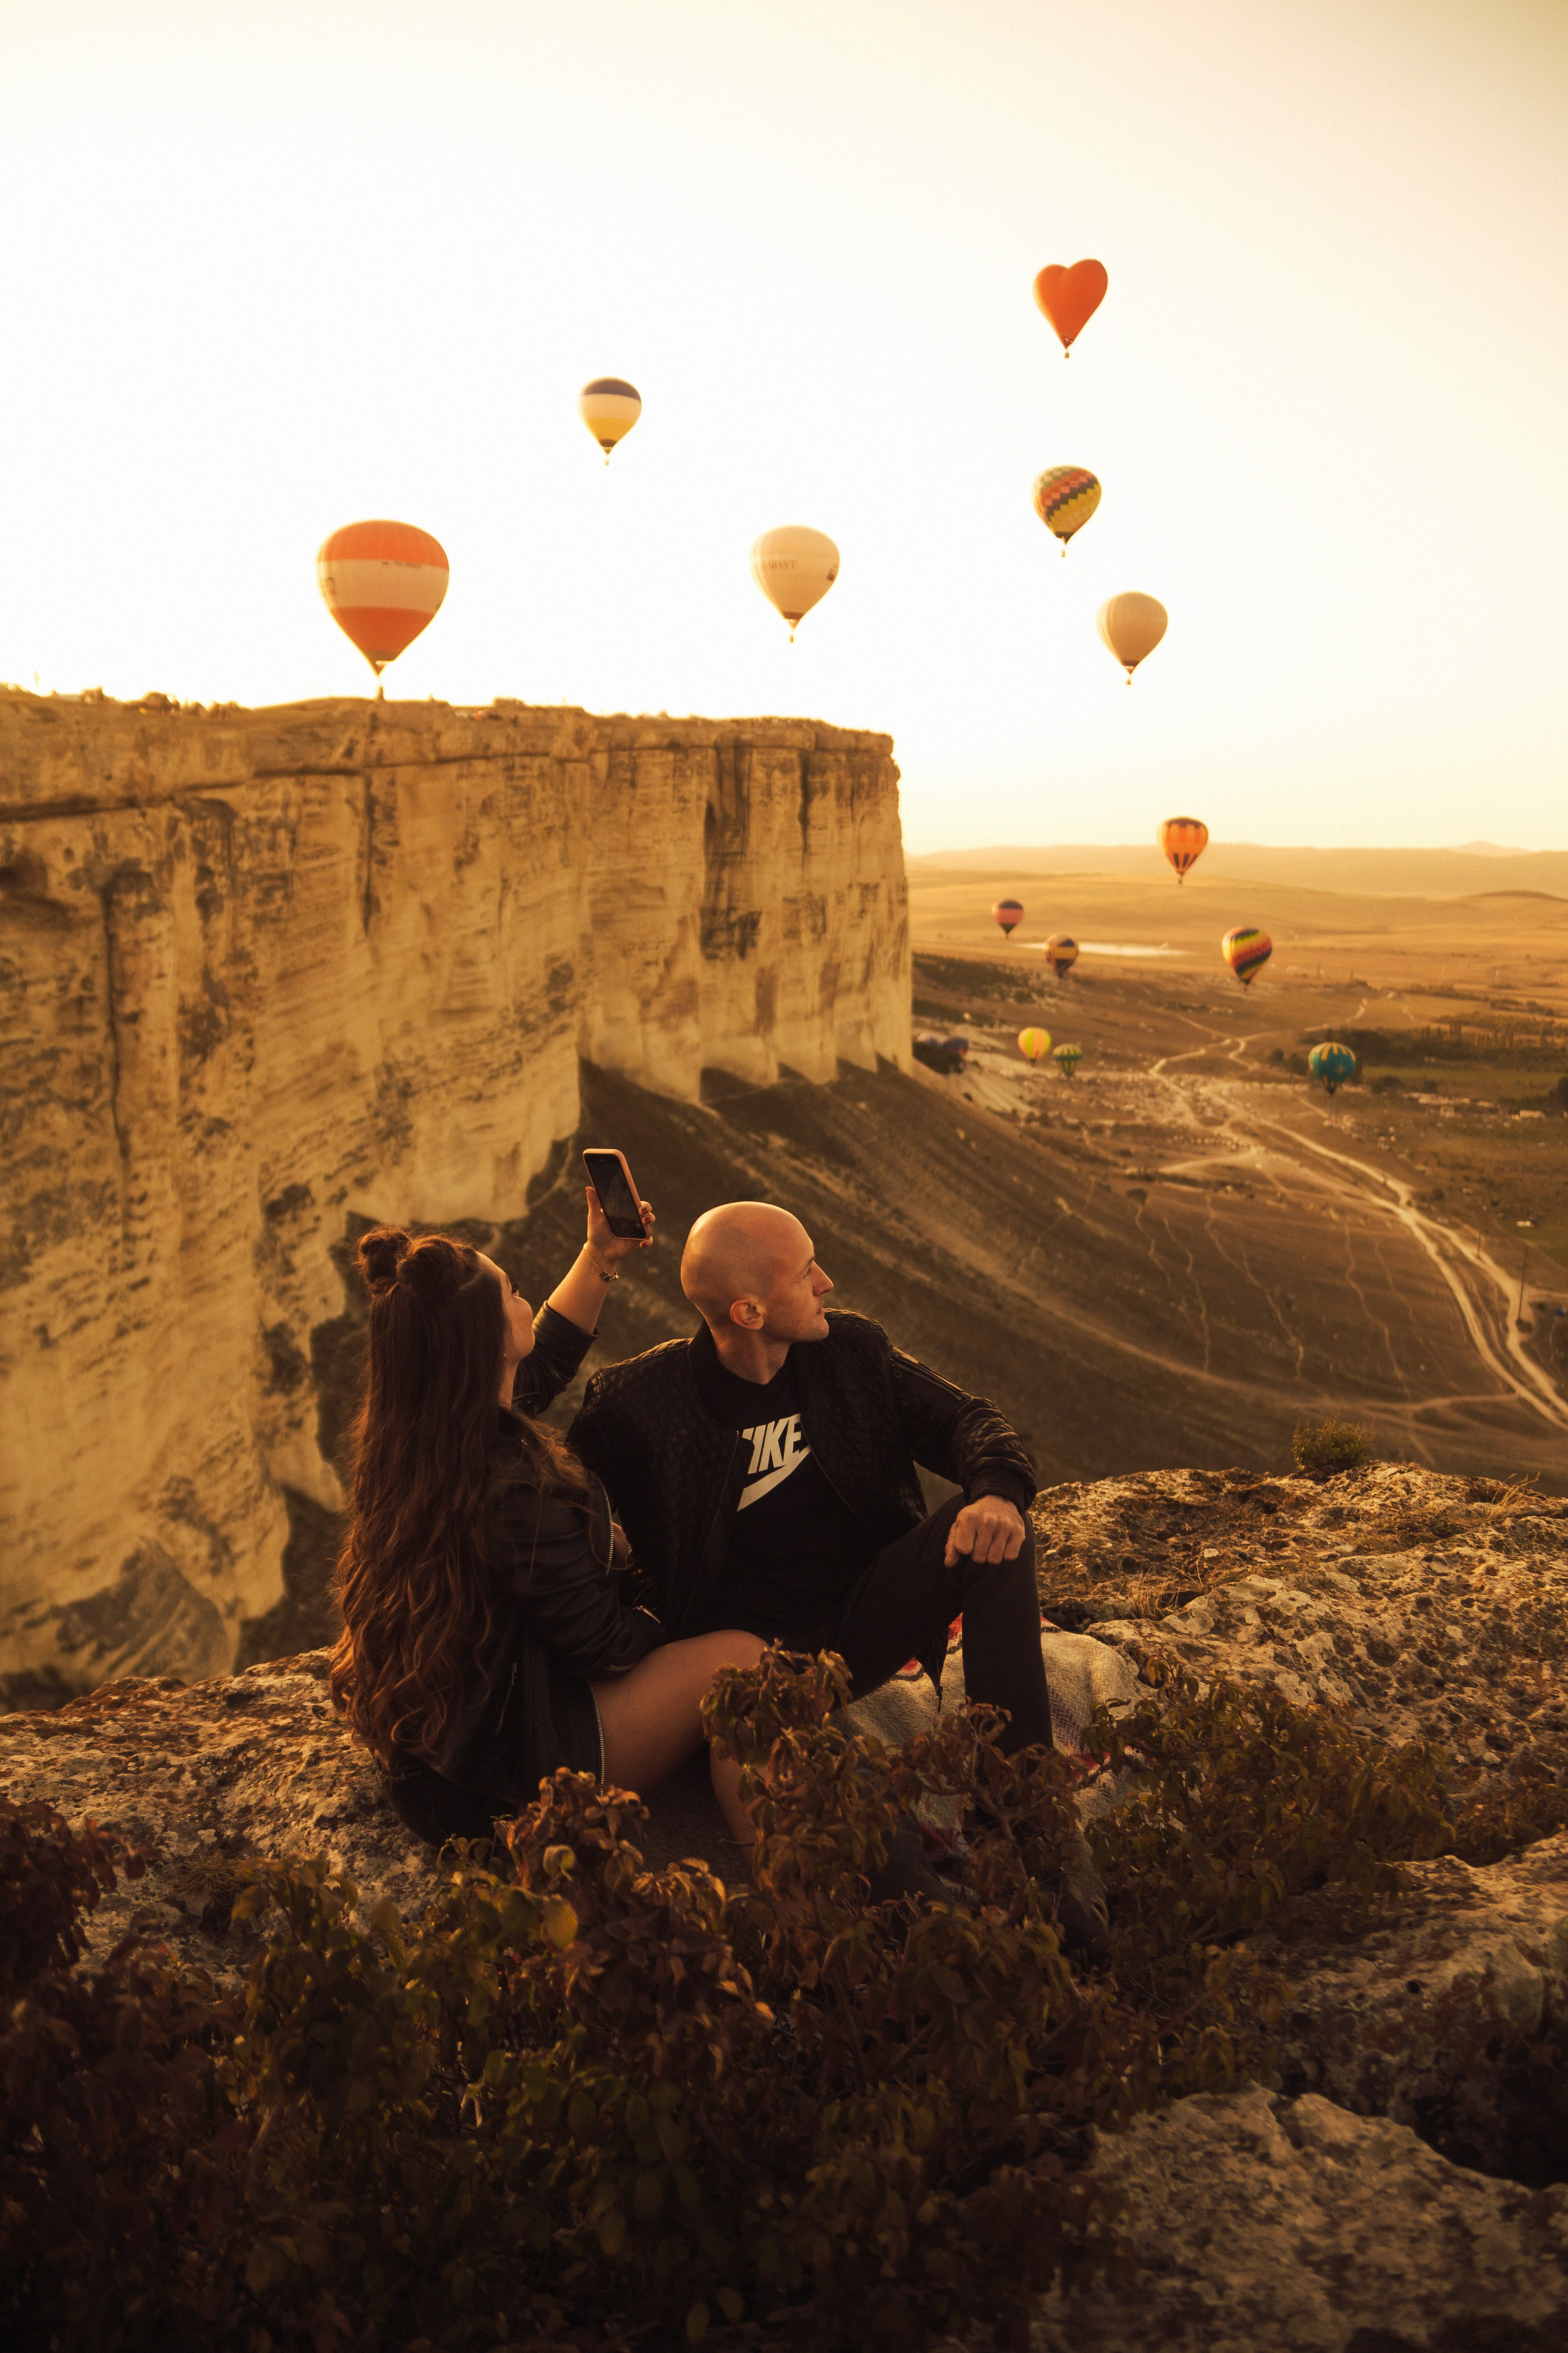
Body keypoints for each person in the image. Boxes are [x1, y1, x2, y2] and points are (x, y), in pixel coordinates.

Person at [568, 1201, 1108, 1950]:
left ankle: (1018, 1829)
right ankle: (951, 1943)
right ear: (749, 1311)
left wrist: (995, 1490)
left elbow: (967, 1420)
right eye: (805, 1272)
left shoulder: (849, 1352)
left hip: (862, 1622)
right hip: (751, 1665)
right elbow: (561, 1514)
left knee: (993, 1534)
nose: (826, 1280)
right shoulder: (635, 1404)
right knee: (854, 1822)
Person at [328, 1188, 766, 1851]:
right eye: (511, 1292)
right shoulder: (512, 1491)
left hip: (440, 1760)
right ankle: (786, 1889)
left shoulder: (421, 1436)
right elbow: (605, 1647)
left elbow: (544, 1359)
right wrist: (653, 1588)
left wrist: (600, 1256)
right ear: (485, 1342)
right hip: (496, 1786)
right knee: (744, 1663)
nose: (524, 1298)